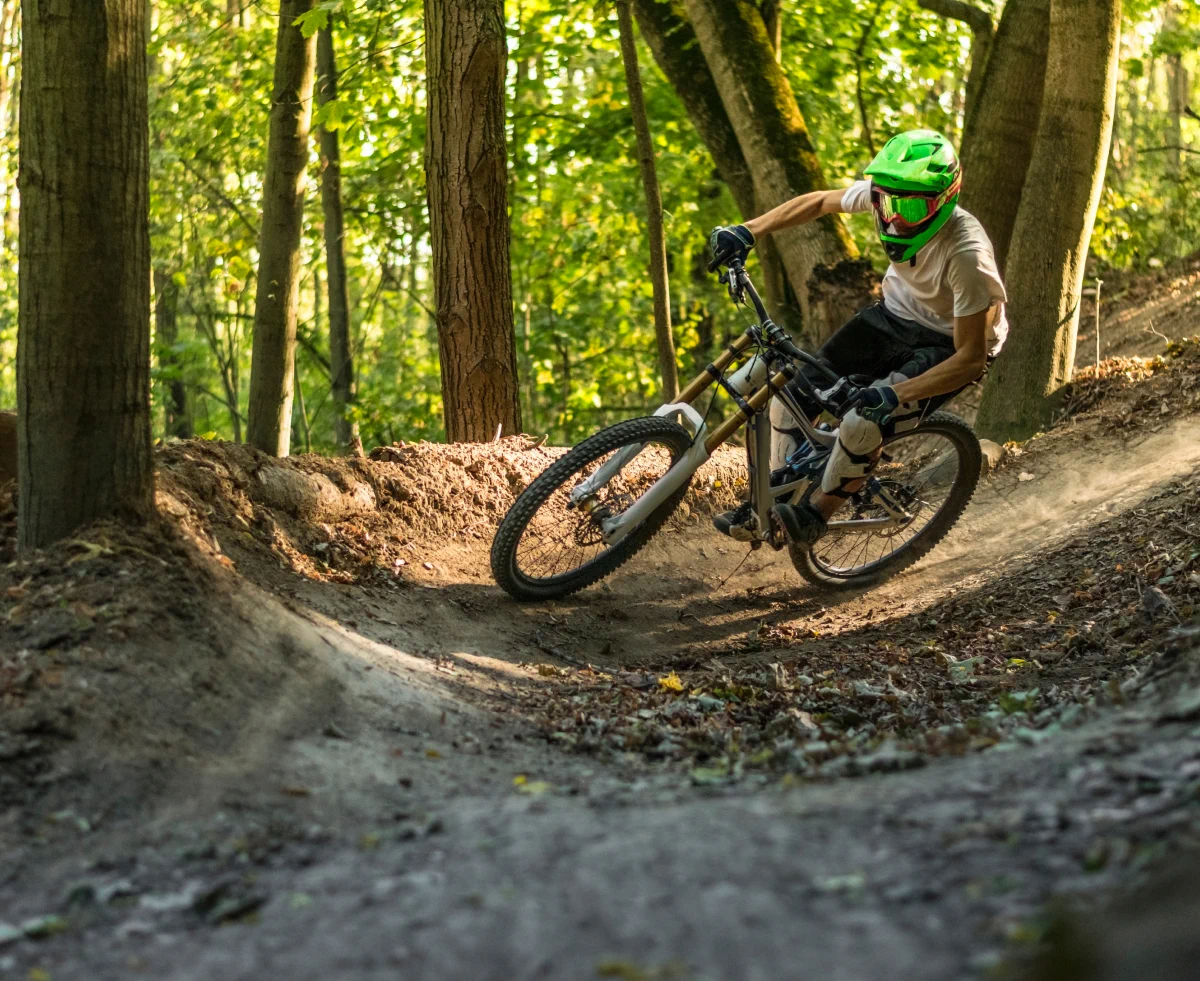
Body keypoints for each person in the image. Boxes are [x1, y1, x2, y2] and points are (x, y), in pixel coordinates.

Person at [708, 129, 1007, 551]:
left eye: (909, 208)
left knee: (862, 421)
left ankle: (815, 516)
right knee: (789, 398)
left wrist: (893, 395)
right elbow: (818, 202)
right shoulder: (890, 196)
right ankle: (776, 497)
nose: (894, 218)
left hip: (947, 343)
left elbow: (970, 359)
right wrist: (747, 231)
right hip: (893, 316)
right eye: (886, 203)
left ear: (944, 200)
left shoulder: (968, 256)